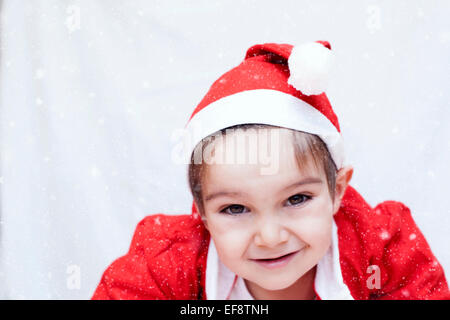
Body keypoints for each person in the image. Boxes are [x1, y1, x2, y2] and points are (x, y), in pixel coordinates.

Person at [91, 41, 450, 300]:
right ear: (200, 211)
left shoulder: (381, 249)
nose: (270, 236)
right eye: (235, 208)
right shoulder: (168, 266)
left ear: (337, 189)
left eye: (296, 198)